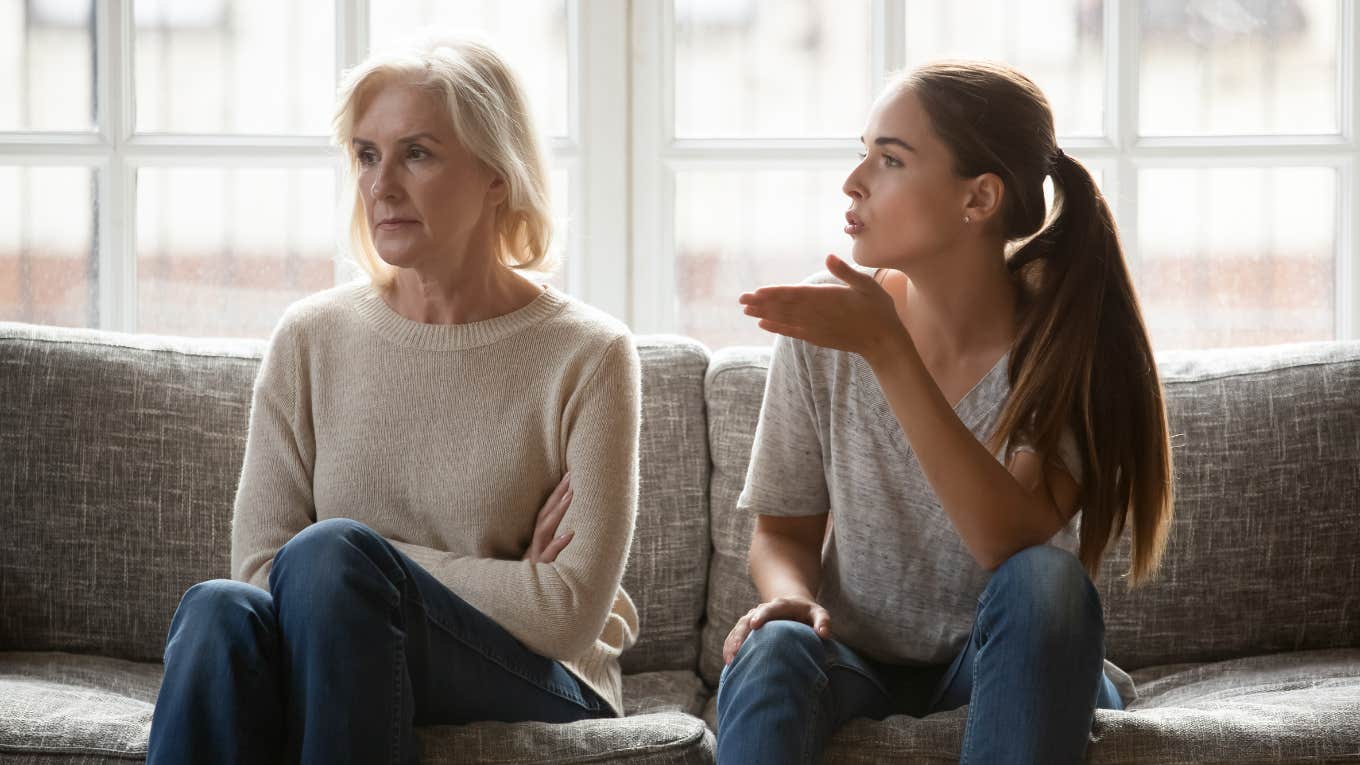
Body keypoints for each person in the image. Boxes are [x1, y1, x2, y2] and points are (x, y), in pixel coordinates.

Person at [146, 34, 641, 765]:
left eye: (418, 153)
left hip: (537, 676)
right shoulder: (310, 337)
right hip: (341, 649)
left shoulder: (589, 354)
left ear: (496, 175)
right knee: (220, 611)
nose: (382, 185)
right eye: (367, 154)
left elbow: (566, 613)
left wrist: (365, 567)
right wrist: (429, 576)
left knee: (328, 556)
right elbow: (259, 570)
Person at [716, 60, 1175, 765]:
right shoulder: (831, 324)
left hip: (1012, 662)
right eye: (861, 151)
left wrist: (888, 351)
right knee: (775, 645)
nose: (854, 181)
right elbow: (781, 531)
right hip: (852, 661)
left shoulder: (1064, 347)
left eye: (891, 158)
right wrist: (791, 599)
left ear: (979, 198)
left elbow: (1006, 540)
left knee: (1045, 580)